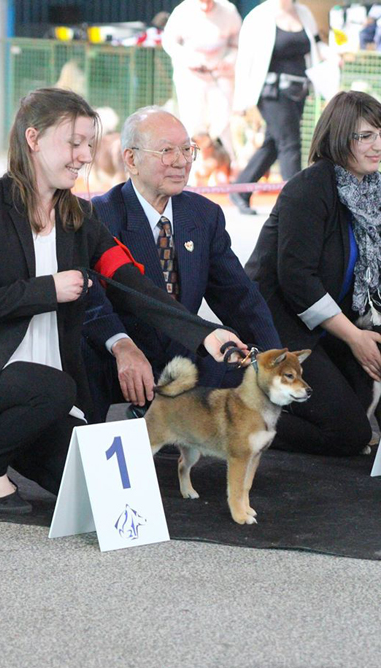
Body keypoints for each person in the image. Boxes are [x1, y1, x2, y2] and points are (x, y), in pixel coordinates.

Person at [0, 88, 246, 514]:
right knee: (53, 387)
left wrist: (206, 334)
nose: (85, 155)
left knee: (97, 497)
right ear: (33, 139)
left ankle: (13, 440)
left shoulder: (82, 219)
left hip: (49, 393)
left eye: (89, 144)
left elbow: (135, 287)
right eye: (73, 142)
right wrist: (46, 289)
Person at [82, 106, 280, 423]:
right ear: (131, 159)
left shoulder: (203, 215)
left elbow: (239, 296)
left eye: (187, 149)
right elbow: (91, 305)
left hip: (186, 351)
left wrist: (274, 360)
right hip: (123, 354)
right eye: (166, 151)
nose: (182, 160)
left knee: (265, 385)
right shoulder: (100, 215)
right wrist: (122, 347)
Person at [245, 90, 381, 456]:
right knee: (348, 433)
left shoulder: (374, 189)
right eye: (365, 136)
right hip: (277, 319)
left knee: (353, 410)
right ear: (339, 138)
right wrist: (355, 337)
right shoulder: (309, 188)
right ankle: (243, 414)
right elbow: (297, 281)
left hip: (327, 322)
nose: (377, 145)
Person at [230, 0, 327, 215]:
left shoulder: (304, 13)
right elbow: (245, 60)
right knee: (290, 143)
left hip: (298, 90)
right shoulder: (258, 17)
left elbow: (317, 43)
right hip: (271, 92)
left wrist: (330, 57)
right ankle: (297, 201)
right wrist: (240, 100)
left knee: (275, 142)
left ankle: (240, 189)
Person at [161, 0, 242, 162]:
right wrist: (188, 60)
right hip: (191, 77)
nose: (205, 6)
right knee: (193, 124)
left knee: (222, 124)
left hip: (220, 76)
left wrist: (229, 60)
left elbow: (238, 42)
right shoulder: (183, 11)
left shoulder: (229, 11)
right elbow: (169, 41)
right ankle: (192, 169)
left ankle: (226, 166)